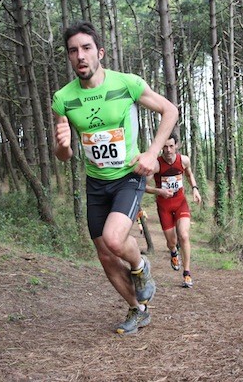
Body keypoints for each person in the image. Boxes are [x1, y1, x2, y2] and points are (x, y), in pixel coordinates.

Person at [52, 21, 178, 335]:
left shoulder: (127, 84)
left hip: (128, 176)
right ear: (69, 57)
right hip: (95, 183)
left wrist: (151, 153)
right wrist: (62, 146)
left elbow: (170, 110)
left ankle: (141, 266)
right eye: (73, 51)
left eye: (86, 48)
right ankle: (138, 310)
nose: (80, 56)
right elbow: (64, 155)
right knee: (106, 256)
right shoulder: (63, 99)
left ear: (100, 53)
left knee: (113, 238)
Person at [145, 133, 201, 288]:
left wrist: (195, 189)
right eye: (165, 146)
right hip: (164, 207)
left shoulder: (183, 160)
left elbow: (189, 174)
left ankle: (187, 273)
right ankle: (174, 253)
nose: (168, 150)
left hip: (180, 203)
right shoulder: (156, 165)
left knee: (184, 235)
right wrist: (159, 191)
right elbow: (143, 186)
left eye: (171, 146)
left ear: (177, 145)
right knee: (172, 242)